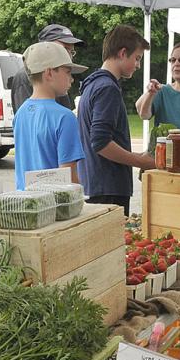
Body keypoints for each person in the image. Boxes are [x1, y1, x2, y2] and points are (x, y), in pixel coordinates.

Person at [77, 25, 156, 216]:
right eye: (137, 58)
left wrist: (138, 155)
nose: (138, 65)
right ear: (122, 53)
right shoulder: (107, 88)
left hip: (96, 185)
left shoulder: (93, 84)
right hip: (108, 188)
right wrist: (141, 161)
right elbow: (101, 143)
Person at [12, 42, 87, 189]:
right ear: (49, 73)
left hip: (23, 200)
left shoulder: (20, 113)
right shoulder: (65, 117)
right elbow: (68, 179)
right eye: (67, 72)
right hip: (54, 201)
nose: (71, 79)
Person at [10, 24, 84, 112]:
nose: (68, 55)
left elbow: (65, 111)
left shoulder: (60, 76)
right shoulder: (25, 75)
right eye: (64, 49)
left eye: (71, 52)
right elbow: (29, 117)